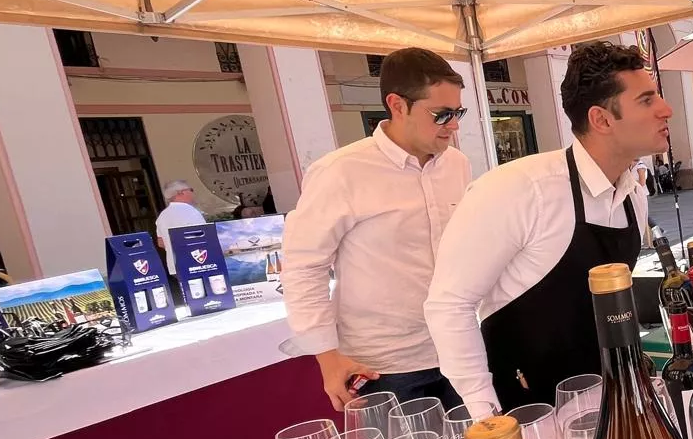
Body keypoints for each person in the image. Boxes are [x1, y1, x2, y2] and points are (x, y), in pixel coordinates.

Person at [425, 41, 669, 414]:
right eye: (647, 100)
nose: (665, 110)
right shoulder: (520, 189)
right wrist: (482, 410)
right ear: (602, 119)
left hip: (605, 402)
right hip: (526, 410)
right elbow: (449, 304)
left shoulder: (633, 193)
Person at [282, 48, 471, 412]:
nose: (454, 125)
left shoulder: (457, 165)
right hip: (385, 366)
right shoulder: (341, 171)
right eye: (442, 114)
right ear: (397, 105)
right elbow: (303, 266)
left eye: (458, 112)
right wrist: (326, 357)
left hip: (458, 347)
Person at [154, 180, 206, 291]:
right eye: (191, 190)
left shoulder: (163, 215)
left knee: (188, 294)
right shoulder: (191, 212)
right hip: (198, 261)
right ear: (181, 192)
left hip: (175, 265)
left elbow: (160, 242)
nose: (193, 193)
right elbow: (204, 237)